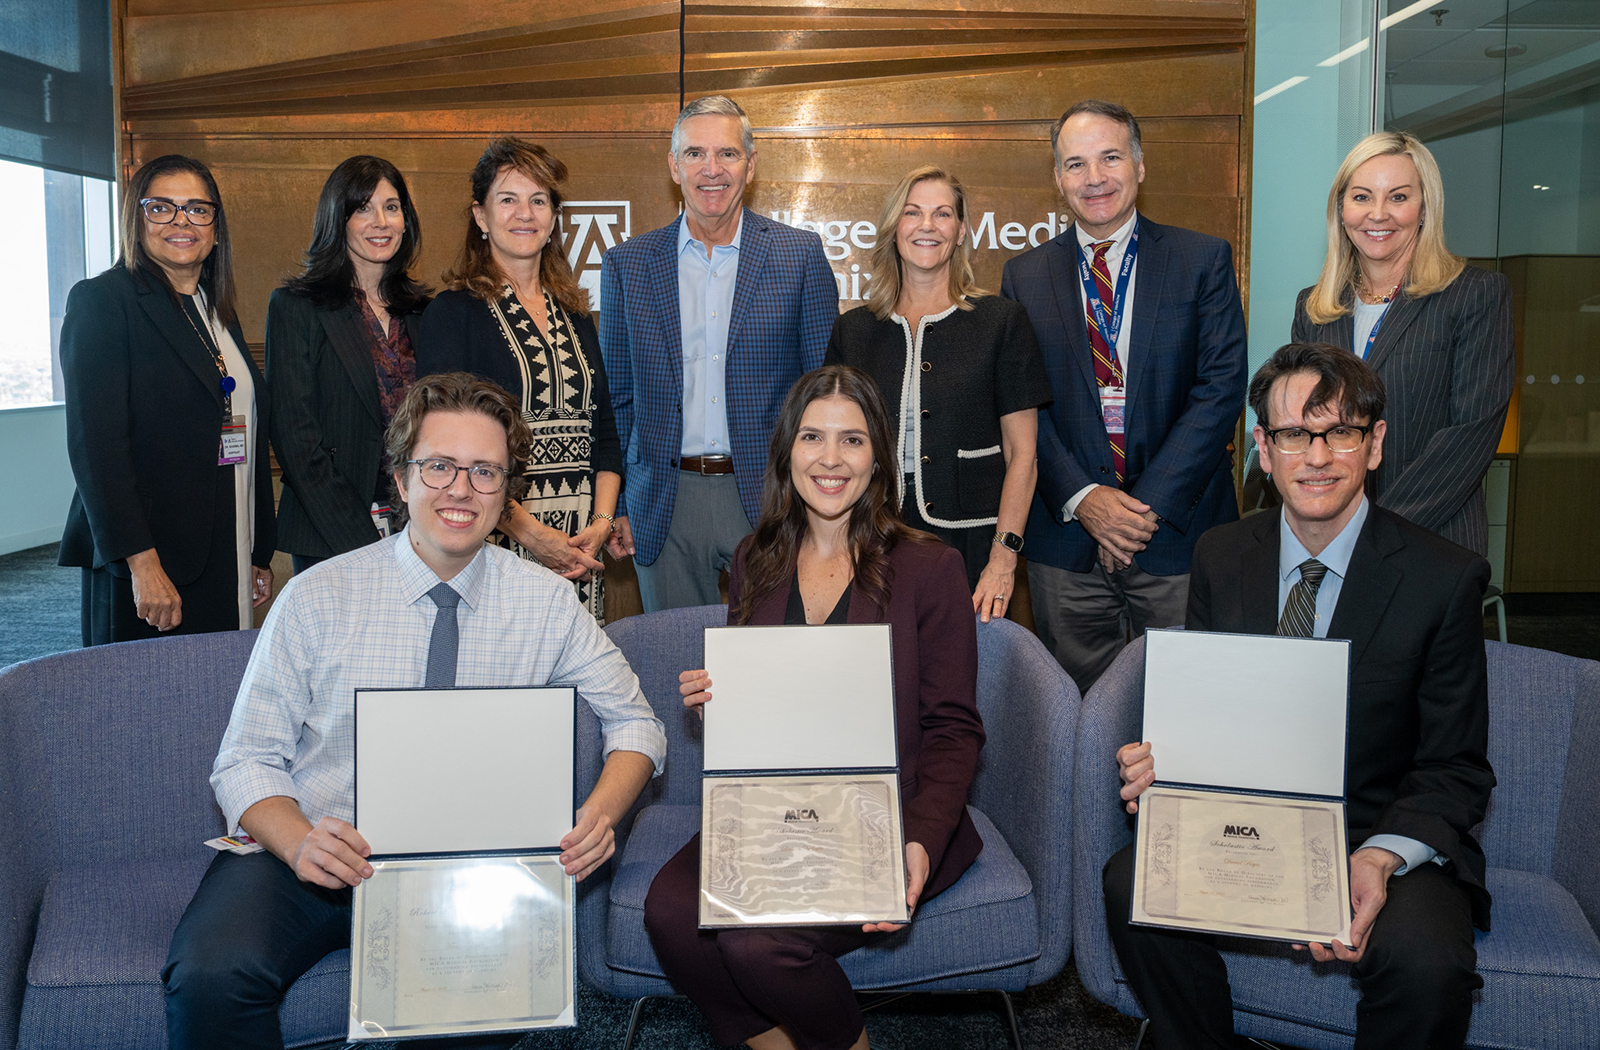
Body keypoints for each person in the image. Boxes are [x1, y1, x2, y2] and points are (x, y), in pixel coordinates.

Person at [162, 372, 667, 1050]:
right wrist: (299, 840)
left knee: (477, 1010)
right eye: (439, 467)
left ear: (505, 493)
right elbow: (245, 760)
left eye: (485, 472)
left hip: (469, 868)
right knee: (211, 975)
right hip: (313, 845)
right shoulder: (318, 597)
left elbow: (638, 723)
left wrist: (600, 814)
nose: (461, 489)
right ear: (402, 481)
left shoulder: (545, 604)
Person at [1104, 342, 1494, 1050]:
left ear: (1374, 445)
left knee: (1427, 963)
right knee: (1129, 884)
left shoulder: (1444, 578)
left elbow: (1456, 767)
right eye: (1292, 435)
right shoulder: (1222, 555)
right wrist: (1164, 766)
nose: (1316, 456)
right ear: (1263, 447)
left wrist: (1377, 857)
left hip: (1377, 835)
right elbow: (1210, 715)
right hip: (1250, 828)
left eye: (1340, 432)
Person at [644, 365, 985, 1050]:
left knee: (755, 944)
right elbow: (766, 715)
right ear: (786, 453)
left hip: (883, 818)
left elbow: (953, 730)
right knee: (671, 913)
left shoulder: (931, 567)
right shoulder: (754, 558)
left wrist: (917, 839)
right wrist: (721, 707)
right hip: (775, 812)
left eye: (852, 441)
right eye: (812, 437)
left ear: (878, 458)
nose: (831, 460)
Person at [1001, 98, 1248, 695]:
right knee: (1080, 717)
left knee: (1188, 710)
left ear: (1140, 165)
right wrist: (1086, 500)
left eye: (1110, 157)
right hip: (1068, 546)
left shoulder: (1201, 260)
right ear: (1058, 179)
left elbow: (1220, 390)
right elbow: (1022, 405)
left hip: (1177, 538)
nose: (1095, 178)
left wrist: (1139, 512)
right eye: (1076, 164)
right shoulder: (1024, 276)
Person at [599, 95, 839, 612]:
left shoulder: (799, 256)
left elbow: (825, 397)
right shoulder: (627, 265)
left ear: (750, 166)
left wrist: (816, 500)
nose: (712, 170)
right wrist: (619, 504)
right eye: (695, 154)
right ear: (673, 165)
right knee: (674, 668)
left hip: (771, 497)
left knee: (773, 667)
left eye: (727, 155)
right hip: (663, 503)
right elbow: (616, 399)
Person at [59, 154, 275, 644]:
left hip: (226, 545)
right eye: (162, 208)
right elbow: (97, 450)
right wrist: (142, 562)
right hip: (152, 562)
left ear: (216, 228)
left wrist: (258, 548)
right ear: (137, 220)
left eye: (198, 210)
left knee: (215, 695)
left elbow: (246, 427)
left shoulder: (216, 309)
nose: (182, 222)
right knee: (146, 708)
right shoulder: (104, 302)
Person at [825, 165, 1050, 622]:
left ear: (961, 230)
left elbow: (1022, 452)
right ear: (894, 228)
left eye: (942, 214)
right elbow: (834, 445)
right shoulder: (855, 330)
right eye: (913, 213)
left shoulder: (1000, 322)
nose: (927, 226)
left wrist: (1003, 560)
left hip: (969, 543)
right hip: (869, 539)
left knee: (960, 679)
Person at [418, 138, 622, 622]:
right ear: (481, 216)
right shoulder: (452, 315)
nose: (524, 213)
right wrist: (531, 534)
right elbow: (444, 451)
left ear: (553, 218)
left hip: (579, 550)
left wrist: (600, 524)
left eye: (538, 200)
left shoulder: (576, 316)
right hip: (492, 541)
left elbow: (605, 434)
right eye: (507, 199)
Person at [1293, 130, 1514, 557]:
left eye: (1398, 197)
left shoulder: (1475, 294)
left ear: (1424, 208)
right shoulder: (1313, 307)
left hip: (1432, 539)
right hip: (1325, 538)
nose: (1378, 214)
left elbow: (1471, 434)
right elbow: (1305, 427)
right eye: (1361, 197)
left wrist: (1372, 531)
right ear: (1341, 210)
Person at [267, 155, 431, 573]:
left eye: (391, 207)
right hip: (332, 532)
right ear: (337, 219)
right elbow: (296, 439)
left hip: (421, 528)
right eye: (363, 208)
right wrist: (362, 541)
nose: (381, 221)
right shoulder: (297, 307)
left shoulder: (425, 312)